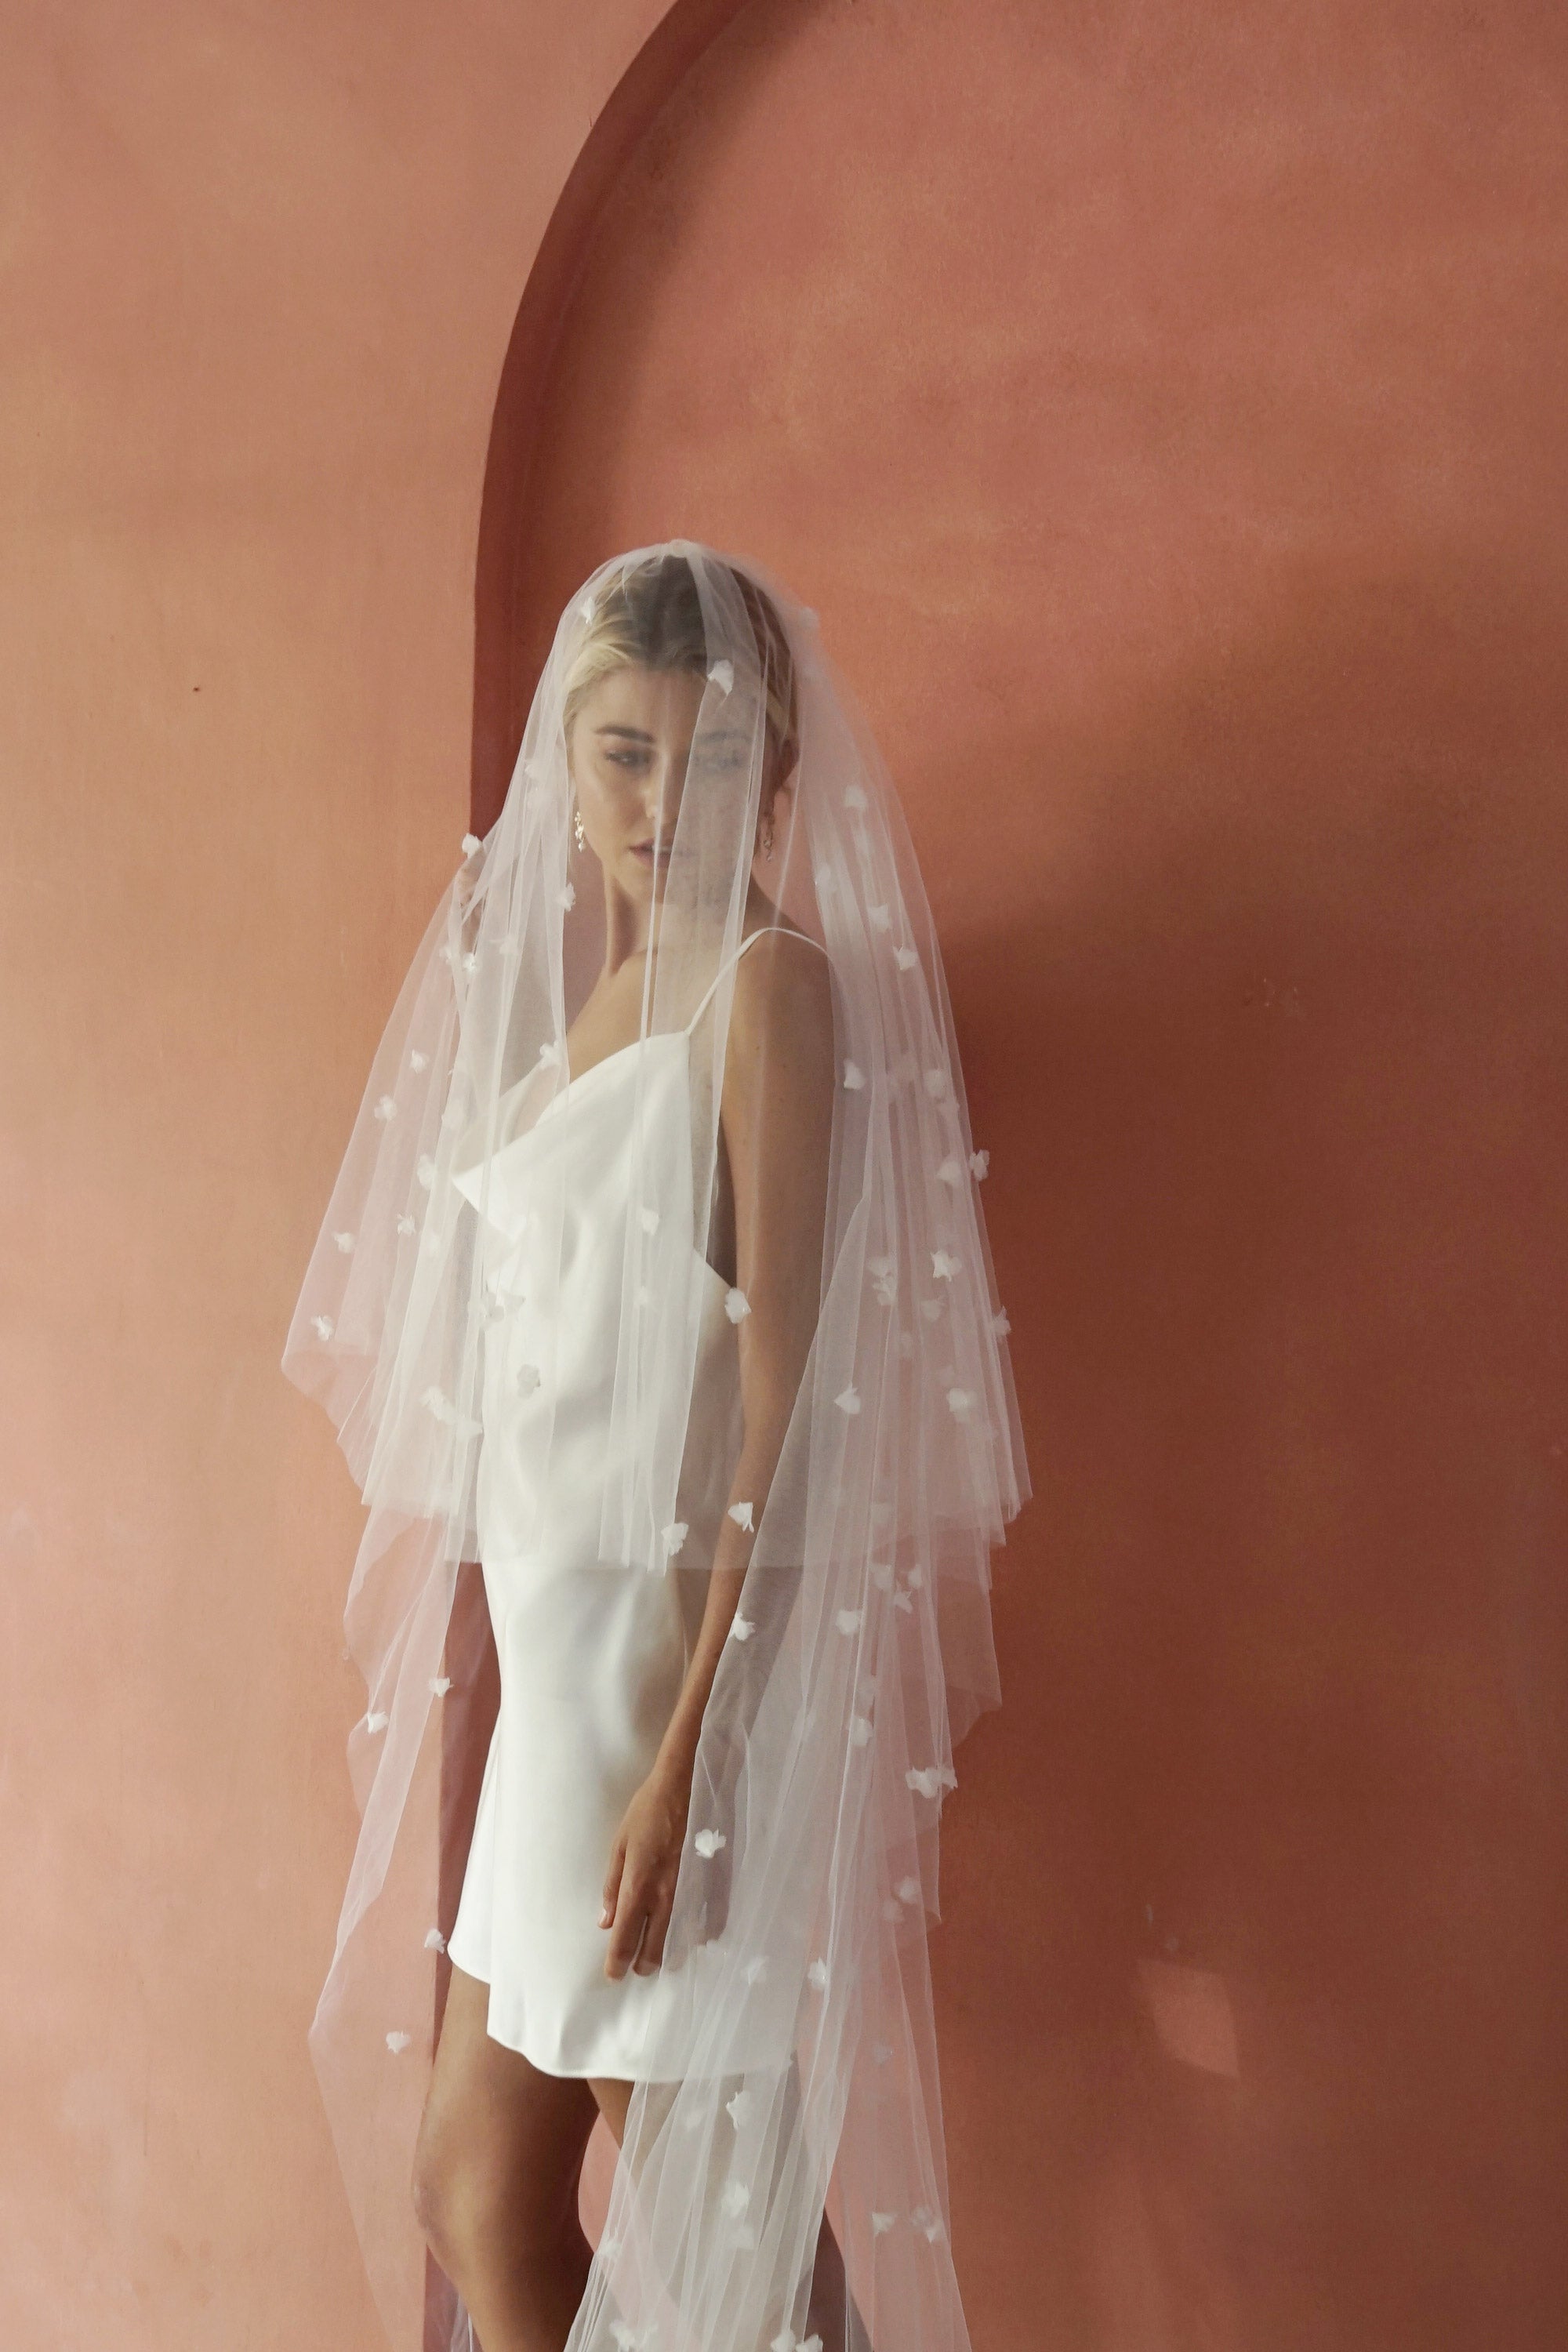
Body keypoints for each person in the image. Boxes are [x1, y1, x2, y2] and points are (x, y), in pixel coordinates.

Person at [283, 542, 1029, 2352]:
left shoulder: (766, 995)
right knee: (474, 2184)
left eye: (708, 756)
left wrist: (696, 1759)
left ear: (776, 775)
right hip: (564, 1688)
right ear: (566, 758)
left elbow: (791, 1402)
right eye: (624, 751)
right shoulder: (584, 1009)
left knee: (745, 2255)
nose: (661, 800)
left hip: (668, 1685)